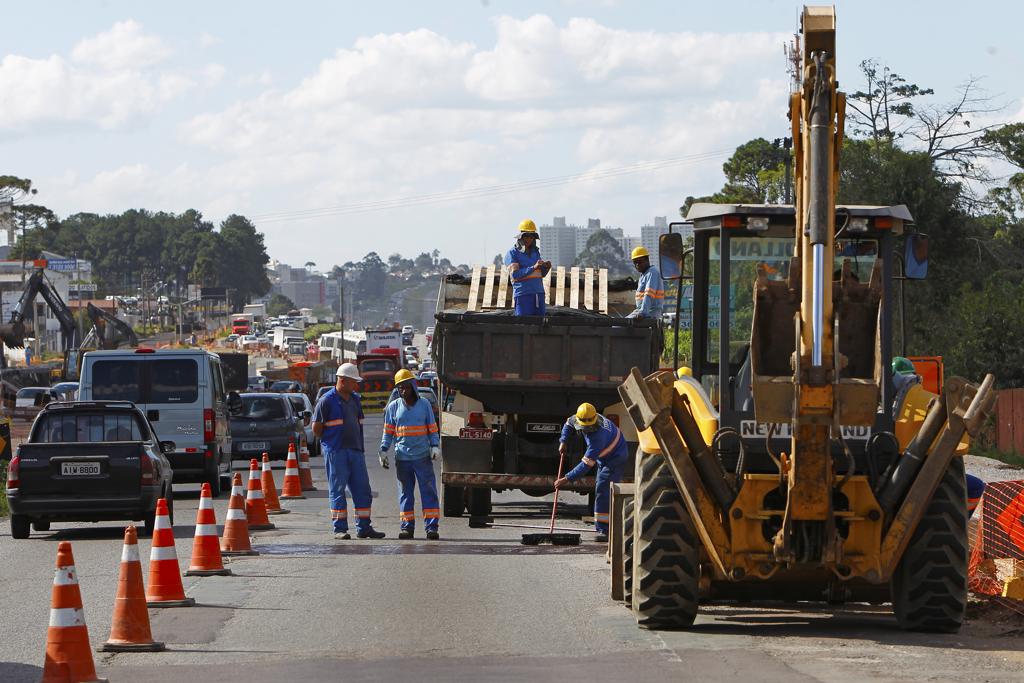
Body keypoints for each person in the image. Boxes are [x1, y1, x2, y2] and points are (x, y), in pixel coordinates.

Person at [311, 362, 385, 540]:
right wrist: (330, 442)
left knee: (363, 490)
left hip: (355, 451)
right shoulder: (326, 401)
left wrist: (359, 448)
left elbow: (358, 424)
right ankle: (340, 528)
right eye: (353, 382)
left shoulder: (355, 400)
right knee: (338, 490)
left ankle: (364, 527)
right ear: (342, 381)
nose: (356, 385)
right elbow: (316, 429)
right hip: (336, 451)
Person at [379, 368, 442, 540]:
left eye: (405, 387)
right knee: (405, 494)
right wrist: (383, 450)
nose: (402, 391)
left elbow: (432, 428)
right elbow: (388, 432)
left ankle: (431, 527)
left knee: (428, 492)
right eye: (399, 388)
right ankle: (407, 527)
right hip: (402, 459)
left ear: (413, 386)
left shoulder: (425, 405)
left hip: (422, 457)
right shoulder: (393, 407)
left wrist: (435, 446)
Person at [553, 403, 629, 542]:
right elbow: (569, 423)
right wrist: (563, 441)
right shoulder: (584, 417)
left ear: (593, 421)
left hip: (615, 458)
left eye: (588, 427)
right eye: (584, 427)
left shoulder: (598, 438)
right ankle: (604, 527)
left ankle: (604, 531)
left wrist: (566, 479)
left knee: (603, 490)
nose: (586, 430)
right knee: (601, 489)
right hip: (605, 457)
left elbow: (585, 466)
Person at [504, 219, 551, 316]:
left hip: (538, 294)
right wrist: (533, 267)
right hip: (523, 295)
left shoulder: (535, 252)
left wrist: (546, 268)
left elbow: (540, 274)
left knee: (540, 326)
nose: (529, 239)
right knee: (524, 325)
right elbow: (515, 275)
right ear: (520, 236)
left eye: (531, 236)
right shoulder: (513, 253)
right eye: (526, 236)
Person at [626, 246, 664, 319]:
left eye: (639, 262)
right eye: (635, 263)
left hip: (650, 313)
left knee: (618, 326)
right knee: (617, 325)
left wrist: (643, 313)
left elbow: (649, 294)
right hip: (642, 312)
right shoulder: (644, 275)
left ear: (647, 260)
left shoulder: (652, 273)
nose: (637, 265)